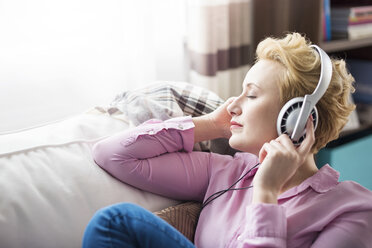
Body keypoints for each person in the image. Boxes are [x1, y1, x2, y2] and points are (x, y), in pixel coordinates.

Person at [82, 33, 372, 248]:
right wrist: (210, 125)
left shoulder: (352, 210)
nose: (233, 104)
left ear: (295, 118)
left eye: (253, 94)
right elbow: (113, 155)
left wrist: (266, 193)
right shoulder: (227, 172)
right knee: (115, 222)